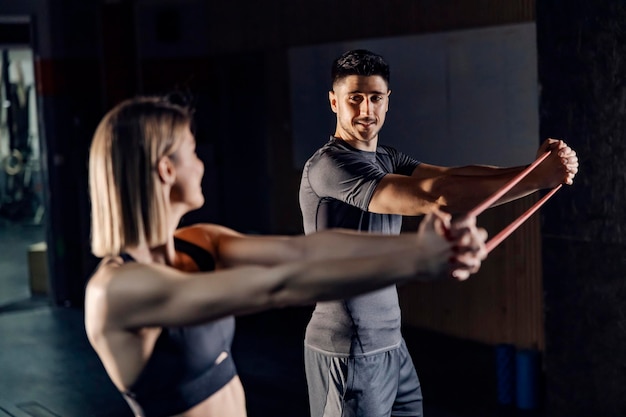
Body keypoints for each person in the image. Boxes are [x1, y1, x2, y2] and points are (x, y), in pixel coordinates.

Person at [83, 95, 488, 417]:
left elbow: (303, 250)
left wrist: (424, 245)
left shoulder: (198, 242)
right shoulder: (116, 291)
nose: (202, 163)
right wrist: (418, 262)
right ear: (165, 170)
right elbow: (276, 286)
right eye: (193, 151)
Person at [298, 49, 579, 417]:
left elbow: (452, 176)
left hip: (390, 343)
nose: (366, 110)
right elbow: (434, 196)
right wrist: (540, 179)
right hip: (348, 349)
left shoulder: (385, 157)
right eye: (355, 99)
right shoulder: (329, 166)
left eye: (375, 98)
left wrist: (534, 169)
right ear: (334, 102)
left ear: (388, 101)